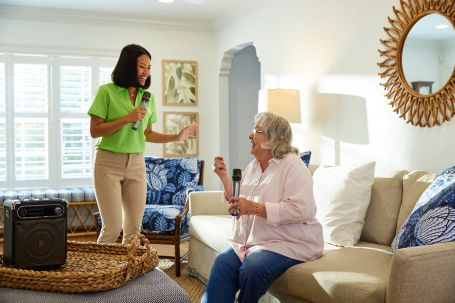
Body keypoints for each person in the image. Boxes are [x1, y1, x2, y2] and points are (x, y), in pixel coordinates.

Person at [202, 112, 323, 303]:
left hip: (289, 243)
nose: (251, 135)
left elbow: (302, 209)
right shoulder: (253, 167)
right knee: (222, 263)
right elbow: (239, 204)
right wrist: (225, 179)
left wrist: (253, 207)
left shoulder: (293, 165)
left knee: (253, 268)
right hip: (255, 242)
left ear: (275, 139)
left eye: (258, 131)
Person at [88, 44, 198, 244]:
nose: (146, 72)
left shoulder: (147, 98)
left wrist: (176, 137)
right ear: (128, 66)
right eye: (142, 67)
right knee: (112, 228)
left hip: (137, 163)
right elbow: (95, 130)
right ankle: (103, 274)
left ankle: (128, 274)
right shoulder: (106, 92)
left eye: (148, 67)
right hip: (107, 164)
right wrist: (127, 118)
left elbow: (147, 134)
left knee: (133, 231)